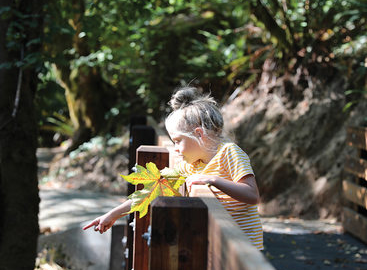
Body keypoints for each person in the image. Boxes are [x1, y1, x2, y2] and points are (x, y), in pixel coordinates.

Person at [84, 86, 263, 250]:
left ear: (199, 134)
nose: (175, 149)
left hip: (246, 249)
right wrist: (113, 214)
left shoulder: (229, 152)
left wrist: (212, 180)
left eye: (178, 141)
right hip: (219, 246)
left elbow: (252, 195)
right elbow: (150, 193)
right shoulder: (190, 165)